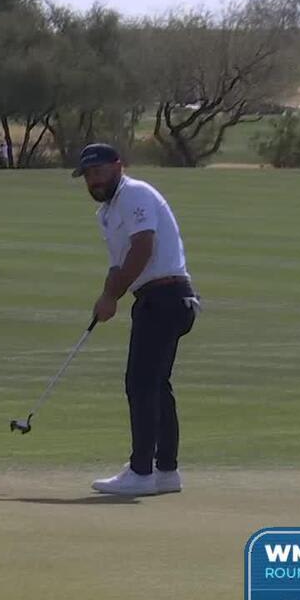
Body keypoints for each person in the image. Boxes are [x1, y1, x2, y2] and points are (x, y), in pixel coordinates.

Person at [71, 143, 199, 497]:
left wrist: (113, 296)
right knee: (156, 385)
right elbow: (119, 263)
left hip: (166, 294)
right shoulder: (107, 213)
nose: (93, 182)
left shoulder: (134, 193)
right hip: (159, 297)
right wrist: (105, 296)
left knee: (141, 384)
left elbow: (143, 246)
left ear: (118, 167)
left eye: (99, 173)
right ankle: (166, 471)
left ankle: (142, 471)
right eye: (88, 176)